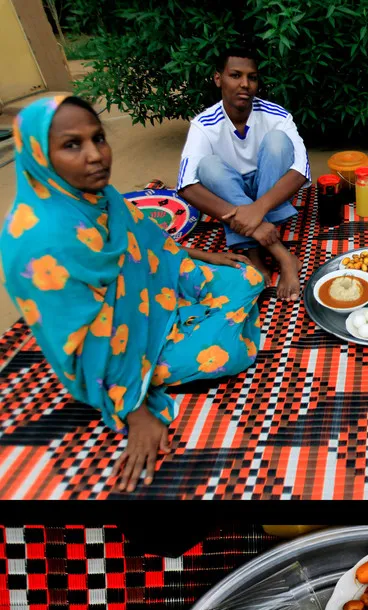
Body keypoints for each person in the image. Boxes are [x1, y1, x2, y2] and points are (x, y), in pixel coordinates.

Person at [0, 94, 266, 493]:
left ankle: (196, 321)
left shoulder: (99, 198)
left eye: (99, 138)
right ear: (38, 153)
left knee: (246, 276)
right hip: (112, 351)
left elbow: (147, 242)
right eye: (73, 145)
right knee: (233, 353)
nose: (96, 155)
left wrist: (199, 253)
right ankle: (158, 365)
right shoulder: (37, 244)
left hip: (153, 295)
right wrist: (136, 410)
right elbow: (79, 343)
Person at [178, 48, 309, 301]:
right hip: (231, 194)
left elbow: (301, 170)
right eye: (235, 75)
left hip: (266, 193)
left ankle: (256, 249)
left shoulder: (277, 116)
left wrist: (258, 209)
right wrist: (255, 221)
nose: (244, 84)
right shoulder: (204, 124)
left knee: (277, 142)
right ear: (218, 79)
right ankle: (277, 254)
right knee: (208, 167)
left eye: (252, 77)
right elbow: (186, 186)